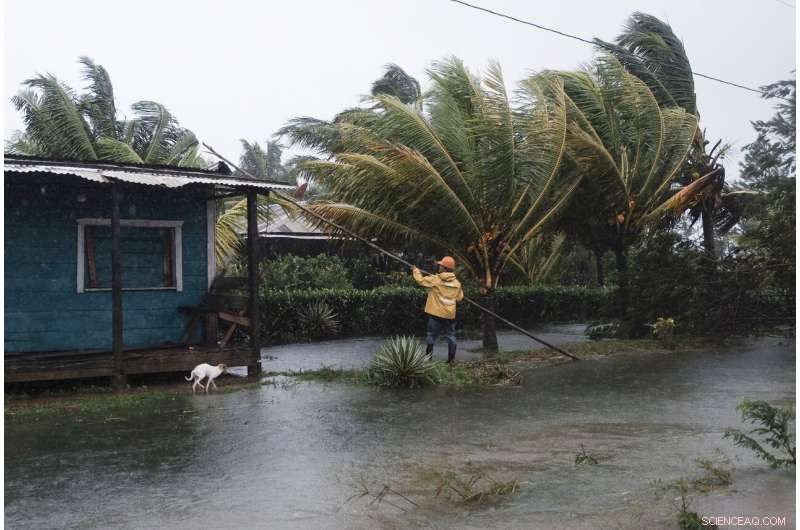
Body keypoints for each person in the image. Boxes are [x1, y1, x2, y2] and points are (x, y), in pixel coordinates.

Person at [412, 256, 464, 364]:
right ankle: (451, 361)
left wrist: (415, 270)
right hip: (450, 315)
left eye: (441, 265)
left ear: (445, 268)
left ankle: (428, 360)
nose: (439, 266)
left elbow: (420, 281)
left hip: (436, 314)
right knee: (451, 336)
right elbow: (459, 298)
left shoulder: (436, 279)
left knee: (431, 336)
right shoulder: (457, 284)